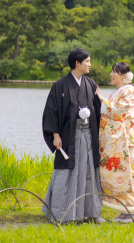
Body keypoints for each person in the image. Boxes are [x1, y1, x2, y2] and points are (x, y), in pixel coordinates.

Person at [41, 47, 103, 223]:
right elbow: (51, 112)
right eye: (87, 61)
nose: (90, 64)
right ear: (77, 63)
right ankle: (63, 213)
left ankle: (91, 212)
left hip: (89, 136)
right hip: (69, 137)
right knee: (67, 172)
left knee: (89, 171)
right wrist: (55, 135)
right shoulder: (60, 86)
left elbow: (98, 112)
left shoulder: (90, 84)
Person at [95, 62, 134, 223]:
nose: (111, 74)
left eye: (114, 72)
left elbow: (118, 112)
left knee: (130, 173)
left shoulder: (128, 93)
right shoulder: (118, 92)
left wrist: (102, 98)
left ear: (124, 76)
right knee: (120, 174)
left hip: (125, 141)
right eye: (111, 71)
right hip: (118, 140)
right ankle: (125, 211)